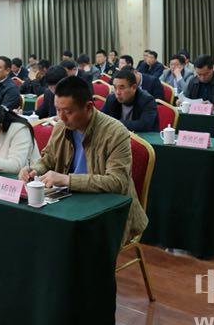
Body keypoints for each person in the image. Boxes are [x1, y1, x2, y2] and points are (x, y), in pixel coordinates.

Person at [17, 76, 148, 245]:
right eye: (58, 110)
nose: (61, 117)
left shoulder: (115, 132)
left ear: (88, 107)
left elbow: (117, 182)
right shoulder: (61, 127)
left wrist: (67, 180)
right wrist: (34, 169)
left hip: (106, 211)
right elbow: (48, 160)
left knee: (64, 243)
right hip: (69, 201)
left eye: (68, 112)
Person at [102, 68, 159, 132]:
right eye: (115, 88)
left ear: (134, 87)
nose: (117, 92)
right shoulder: (111, 98)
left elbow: (144, 125)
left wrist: (114, 123)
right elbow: (101, 119)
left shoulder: (147, 100)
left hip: (143, 137)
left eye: (121, 88)